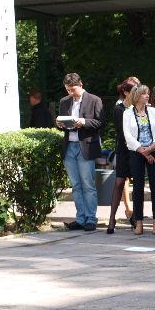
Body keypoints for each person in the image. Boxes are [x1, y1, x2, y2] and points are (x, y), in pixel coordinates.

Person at [57, 73, 106, 231]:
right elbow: (63, 123)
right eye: (68, 90)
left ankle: (91, 219)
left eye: (73, 89)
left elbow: (100, 122)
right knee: (76, 186)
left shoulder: (94, 100)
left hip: (86, 146)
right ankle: (80, 218)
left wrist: (83, 122)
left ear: (81, 85)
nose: (70, 93)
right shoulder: (64, 101)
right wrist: (60, 124)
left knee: (88, 185)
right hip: (69, 147)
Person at [123, 84, 155, 236]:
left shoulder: (153, 111)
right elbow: (127, 135)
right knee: (138, 187)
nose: (147, 96)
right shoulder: (127, 113)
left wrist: (152, 148)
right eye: (144, 94)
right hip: (136, 152)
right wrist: (143, 151)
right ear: (137, 96)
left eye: (148, 93)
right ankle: (138, 221)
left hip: (154, 150)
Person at [107, 77, 139, 234]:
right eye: (134, 92)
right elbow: (122, 133)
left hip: (137, 150)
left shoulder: (139, 108)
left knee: (138, 183)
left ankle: (137, 218)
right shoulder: (119, 109)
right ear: (126, 92)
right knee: (119, 182)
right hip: (124, 149)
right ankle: (112, 219)